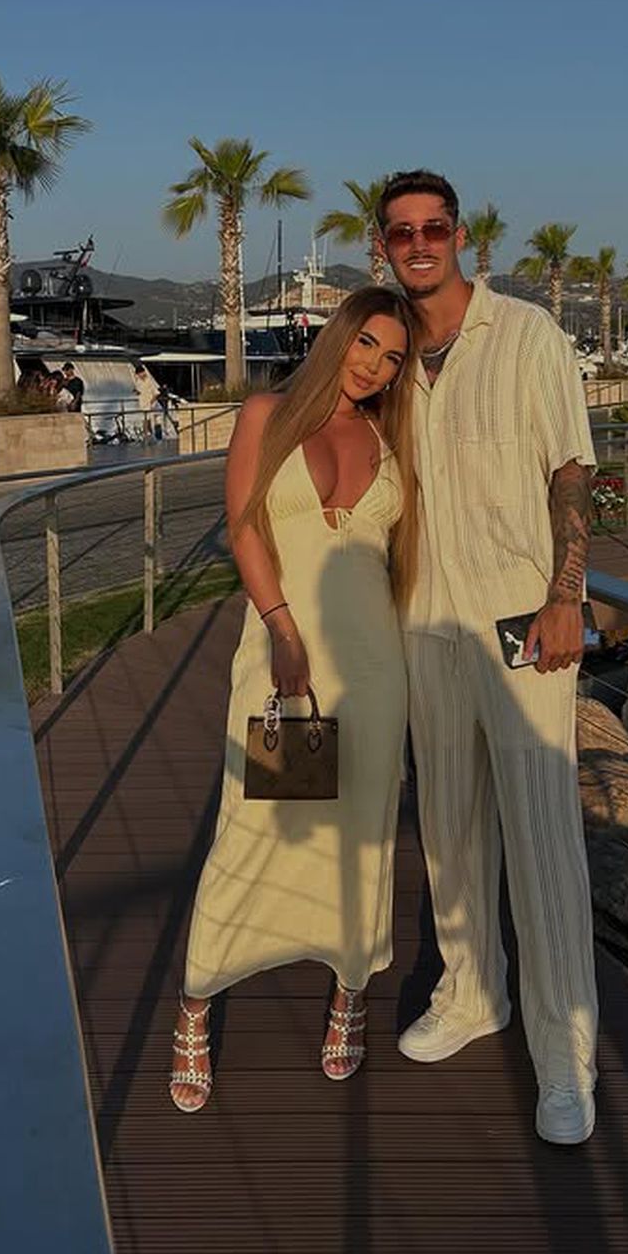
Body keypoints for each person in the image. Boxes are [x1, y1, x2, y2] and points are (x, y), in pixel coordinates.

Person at [378, 169, 600, 1146]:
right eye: (402, 232)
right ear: (384, 246)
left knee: (544, 841)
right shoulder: (388, 353)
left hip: (523, 621)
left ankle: (566, 1059)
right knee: (451, 829)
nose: (420, 243)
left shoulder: (528, 335)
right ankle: (474, 991)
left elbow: (570, 469)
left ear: (460, 235)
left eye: (434, 227)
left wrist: (567, 593)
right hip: (424, 622)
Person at [170, 286, 419, 1113]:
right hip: (287, 667)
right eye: (367, 344)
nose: (375, 366)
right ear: (339, 335)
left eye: (393, 357)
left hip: (373, 673)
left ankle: (349, 993)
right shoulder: (265, 414)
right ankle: (197, 1002)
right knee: (257, 830)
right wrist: (281, 628)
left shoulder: (390, 438)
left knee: (360, 839)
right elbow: (245, 525)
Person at [132, 363, 162, 438]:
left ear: (143, 372)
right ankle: (147, 436)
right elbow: (139, 391)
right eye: (138, 374)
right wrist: (136, 392)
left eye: (140, 374)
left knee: (154, 421)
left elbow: (156, 393)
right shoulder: (138, 381)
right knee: (145, 420)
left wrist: (152, 401)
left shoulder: (150, 381)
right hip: (143, 404)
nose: (139, 376)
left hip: (151, 404)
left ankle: (156, 437)